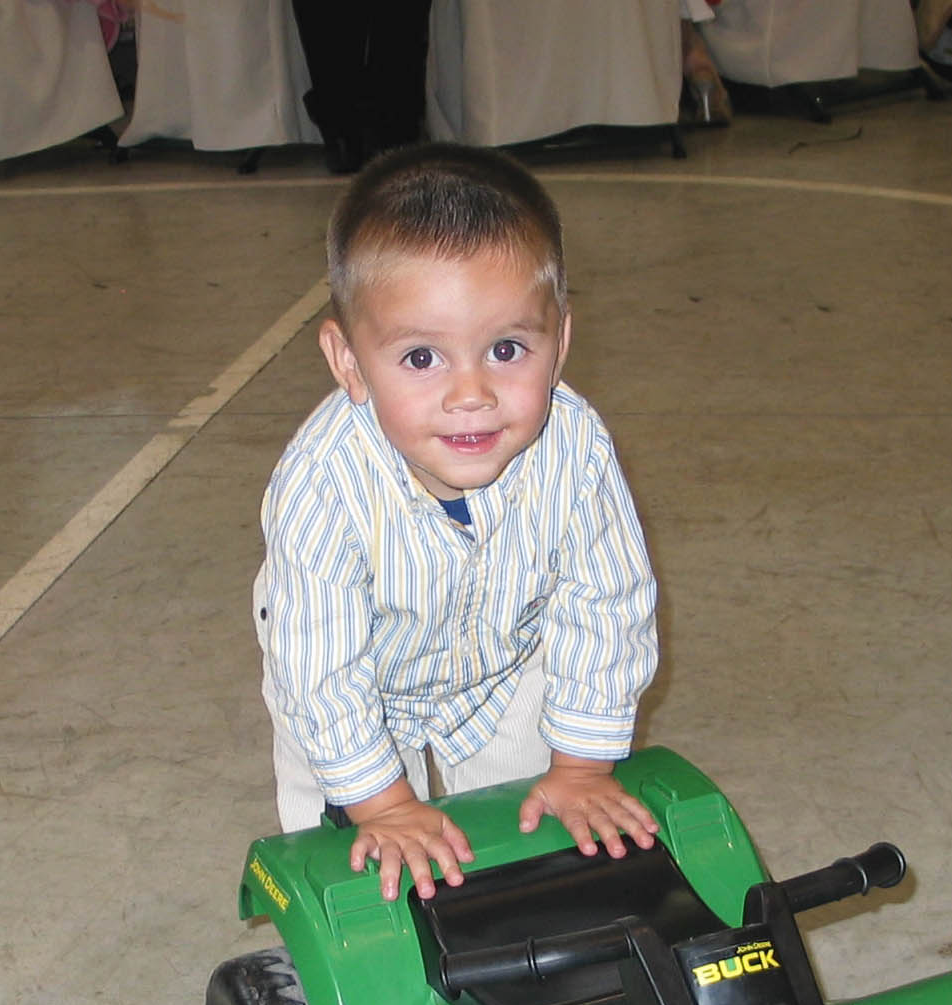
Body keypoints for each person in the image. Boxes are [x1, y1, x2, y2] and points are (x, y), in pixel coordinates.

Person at [254, 143, 660, 902]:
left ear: (560, 341)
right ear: (347, 362)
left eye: (506, 349)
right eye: (420, 359)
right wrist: (383, 802)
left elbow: (606, 603)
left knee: (530, 840)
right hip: (350, 668)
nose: (470, 393)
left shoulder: (577, 447)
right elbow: (321, 676)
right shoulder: (321, 488)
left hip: (507, 659)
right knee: (348, 863)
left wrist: (578, 765)